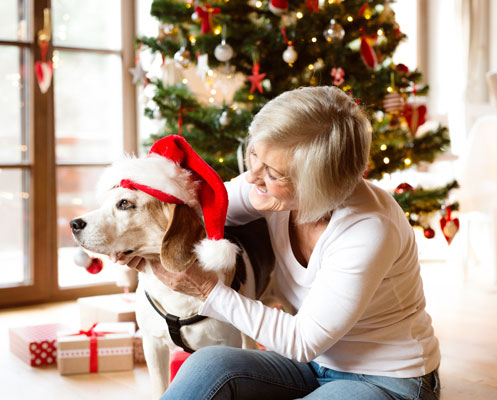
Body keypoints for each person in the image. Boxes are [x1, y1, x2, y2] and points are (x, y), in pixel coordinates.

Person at [125, 86, 441, 399]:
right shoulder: (271, 194)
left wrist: (208, 290)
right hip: (310, 366)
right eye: (254, 157)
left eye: (273, 173)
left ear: (319, 186)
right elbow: (198, 207)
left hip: (387, 379)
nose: (252, 177)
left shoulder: (368, 229)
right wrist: (130, 237)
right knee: (208, 364)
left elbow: (301, 341)